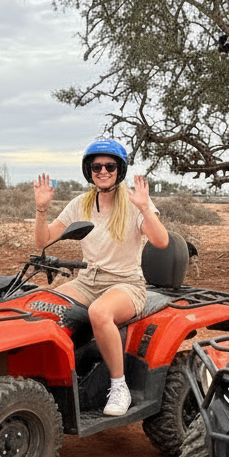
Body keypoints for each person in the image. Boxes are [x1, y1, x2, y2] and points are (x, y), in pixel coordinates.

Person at [33, 139, 169, 416]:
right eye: (97, 166)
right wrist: (41, 210)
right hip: (87, 281)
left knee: (99, 313)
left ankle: (120, 387)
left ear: (119, 169)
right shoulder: (80, 204)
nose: (103, 171)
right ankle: (48, 378)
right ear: (89, 170)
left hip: (125, 284)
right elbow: (43, 241)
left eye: (109, 166)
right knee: (39, 303)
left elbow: (162, 241)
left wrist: (144, 207)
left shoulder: (133, 203)